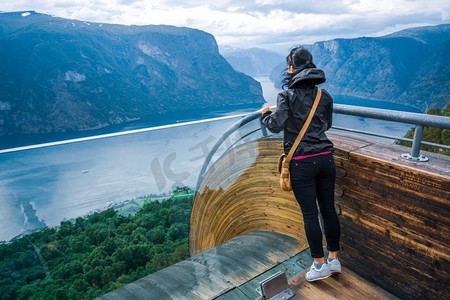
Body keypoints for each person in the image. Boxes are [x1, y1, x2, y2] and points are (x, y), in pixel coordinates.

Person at [260, 46, 341, 282]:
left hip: (302, 164)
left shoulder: (285, 96)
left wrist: (264, 114)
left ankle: (319, 265)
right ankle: (334, 260)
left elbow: (275, 125)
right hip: (326, 158)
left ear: (292, 68)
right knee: (328, 210)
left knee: (309, 215)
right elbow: (326, 125)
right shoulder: (323, 96)